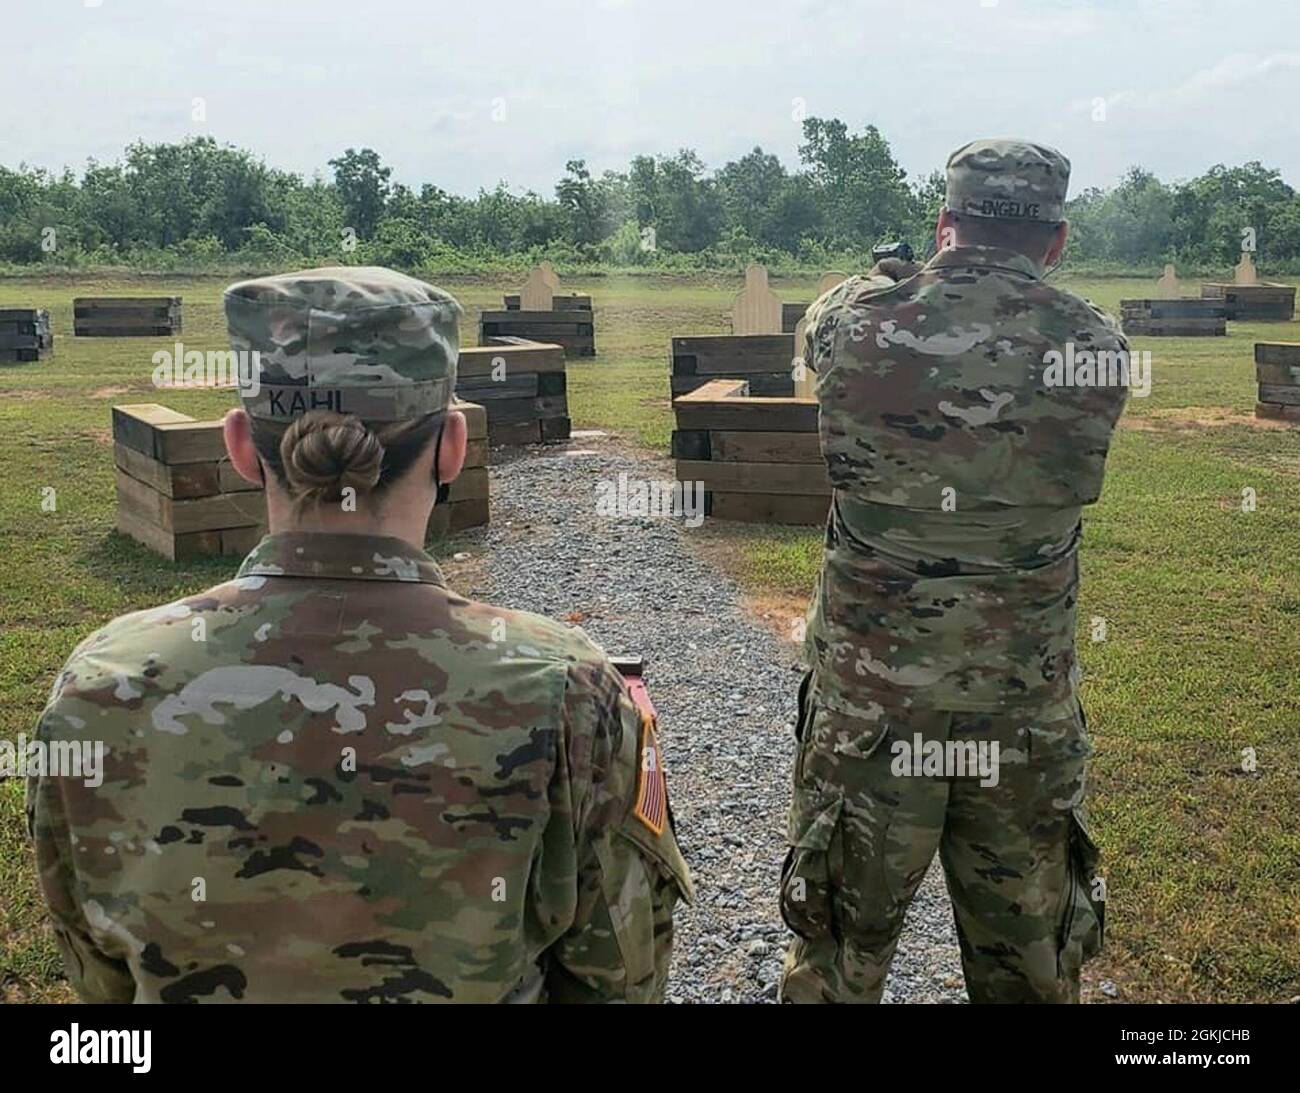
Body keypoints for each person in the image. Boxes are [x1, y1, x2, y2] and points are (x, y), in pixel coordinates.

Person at [27, 266, 691, 1003]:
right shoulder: (569, 690)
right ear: (452, 448)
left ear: (244, 447)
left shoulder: (101, 685)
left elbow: (99, 985)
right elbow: (619, 977)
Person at [781, 140, 1127, 1003]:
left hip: (871, 717)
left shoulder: (856, 320)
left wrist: (895, 276)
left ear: (945, 223)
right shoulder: (1098, 345)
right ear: (1056, 241)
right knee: (1029, 967)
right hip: (1020, 717)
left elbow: (818, 335)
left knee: (838, 964)